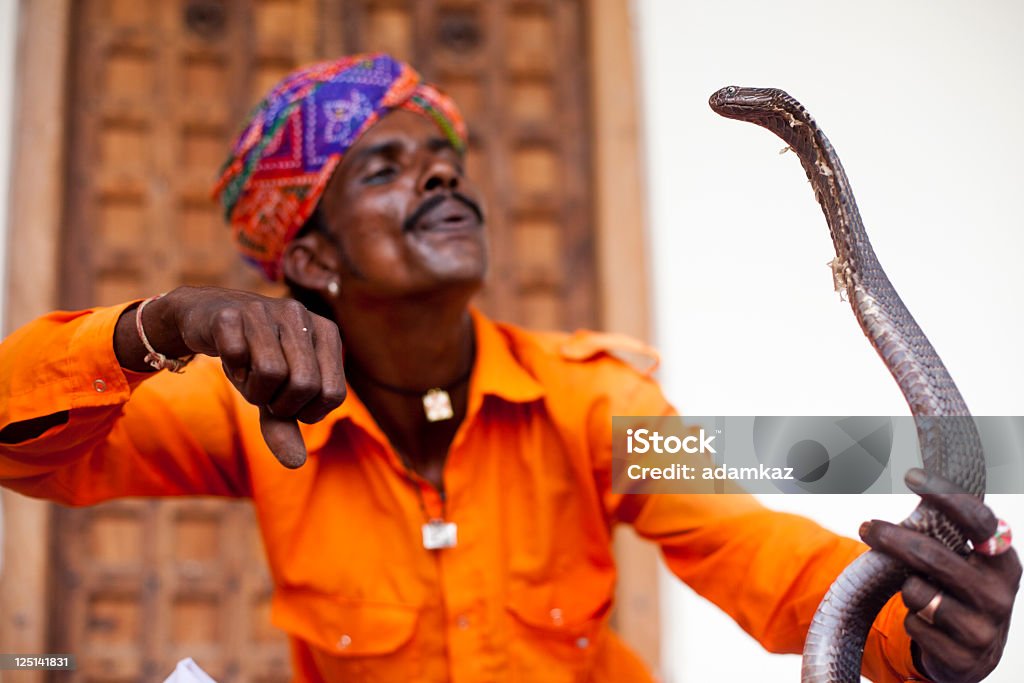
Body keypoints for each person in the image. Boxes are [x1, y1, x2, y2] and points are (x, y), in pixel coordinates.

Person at [0, 53, 1017, 683]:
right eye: (387, 167)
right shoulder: (245, 418)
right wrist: (152, 327)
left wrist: (916, 634)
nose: (441, 172)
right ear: (309, 258)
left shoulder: (598, 401)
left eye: (444, 159)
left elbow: (761, 553)